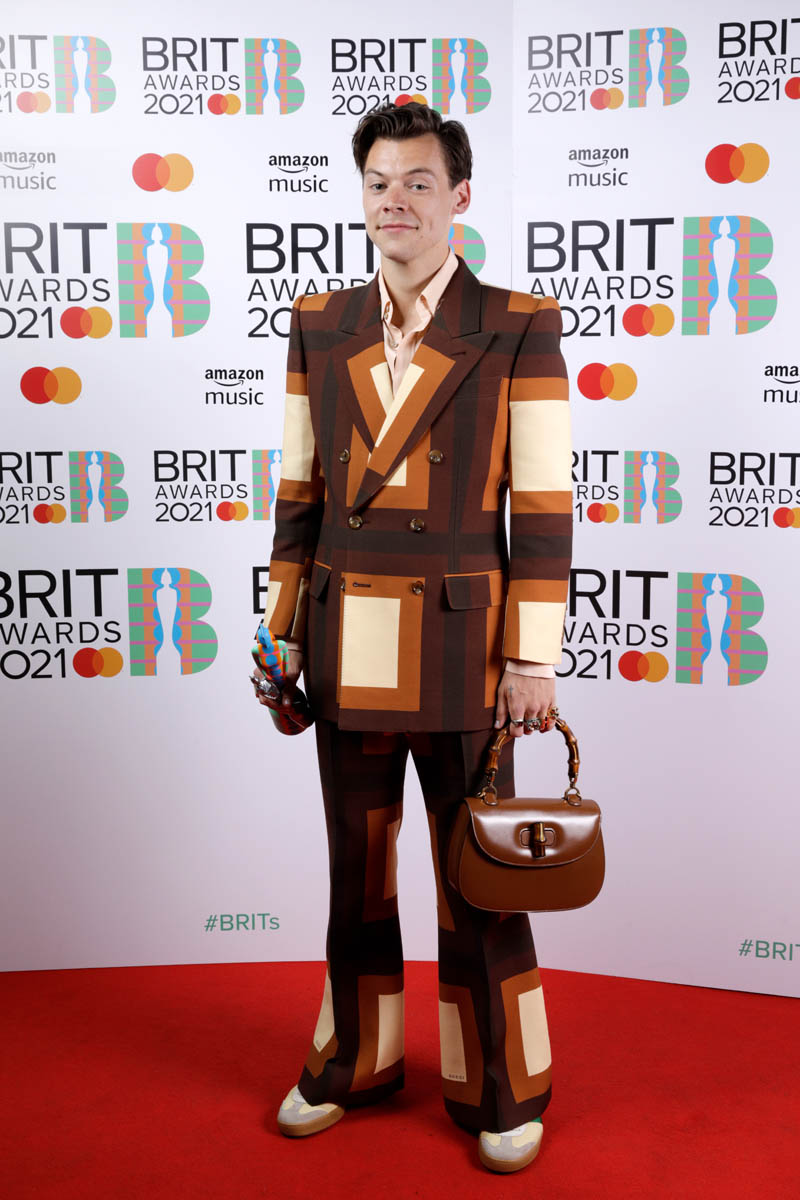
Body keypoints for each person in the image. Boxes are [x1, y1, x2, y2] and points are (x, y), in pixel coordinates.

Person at [253, 102, 572, 1175]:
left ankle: (502, 1089)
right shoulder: (319, 320)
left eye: (418, 182)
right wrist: (280, 634)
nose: (395, 200)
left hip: (464, 647)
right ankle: (353, 1062)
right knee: (356, 872)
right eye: (379, 182)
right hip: (345, 638)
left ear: (459, 197)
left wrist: (532, 657)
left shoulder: (517, 320)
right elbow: (298, 493)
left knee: (480, 877)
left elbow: (542, 504)